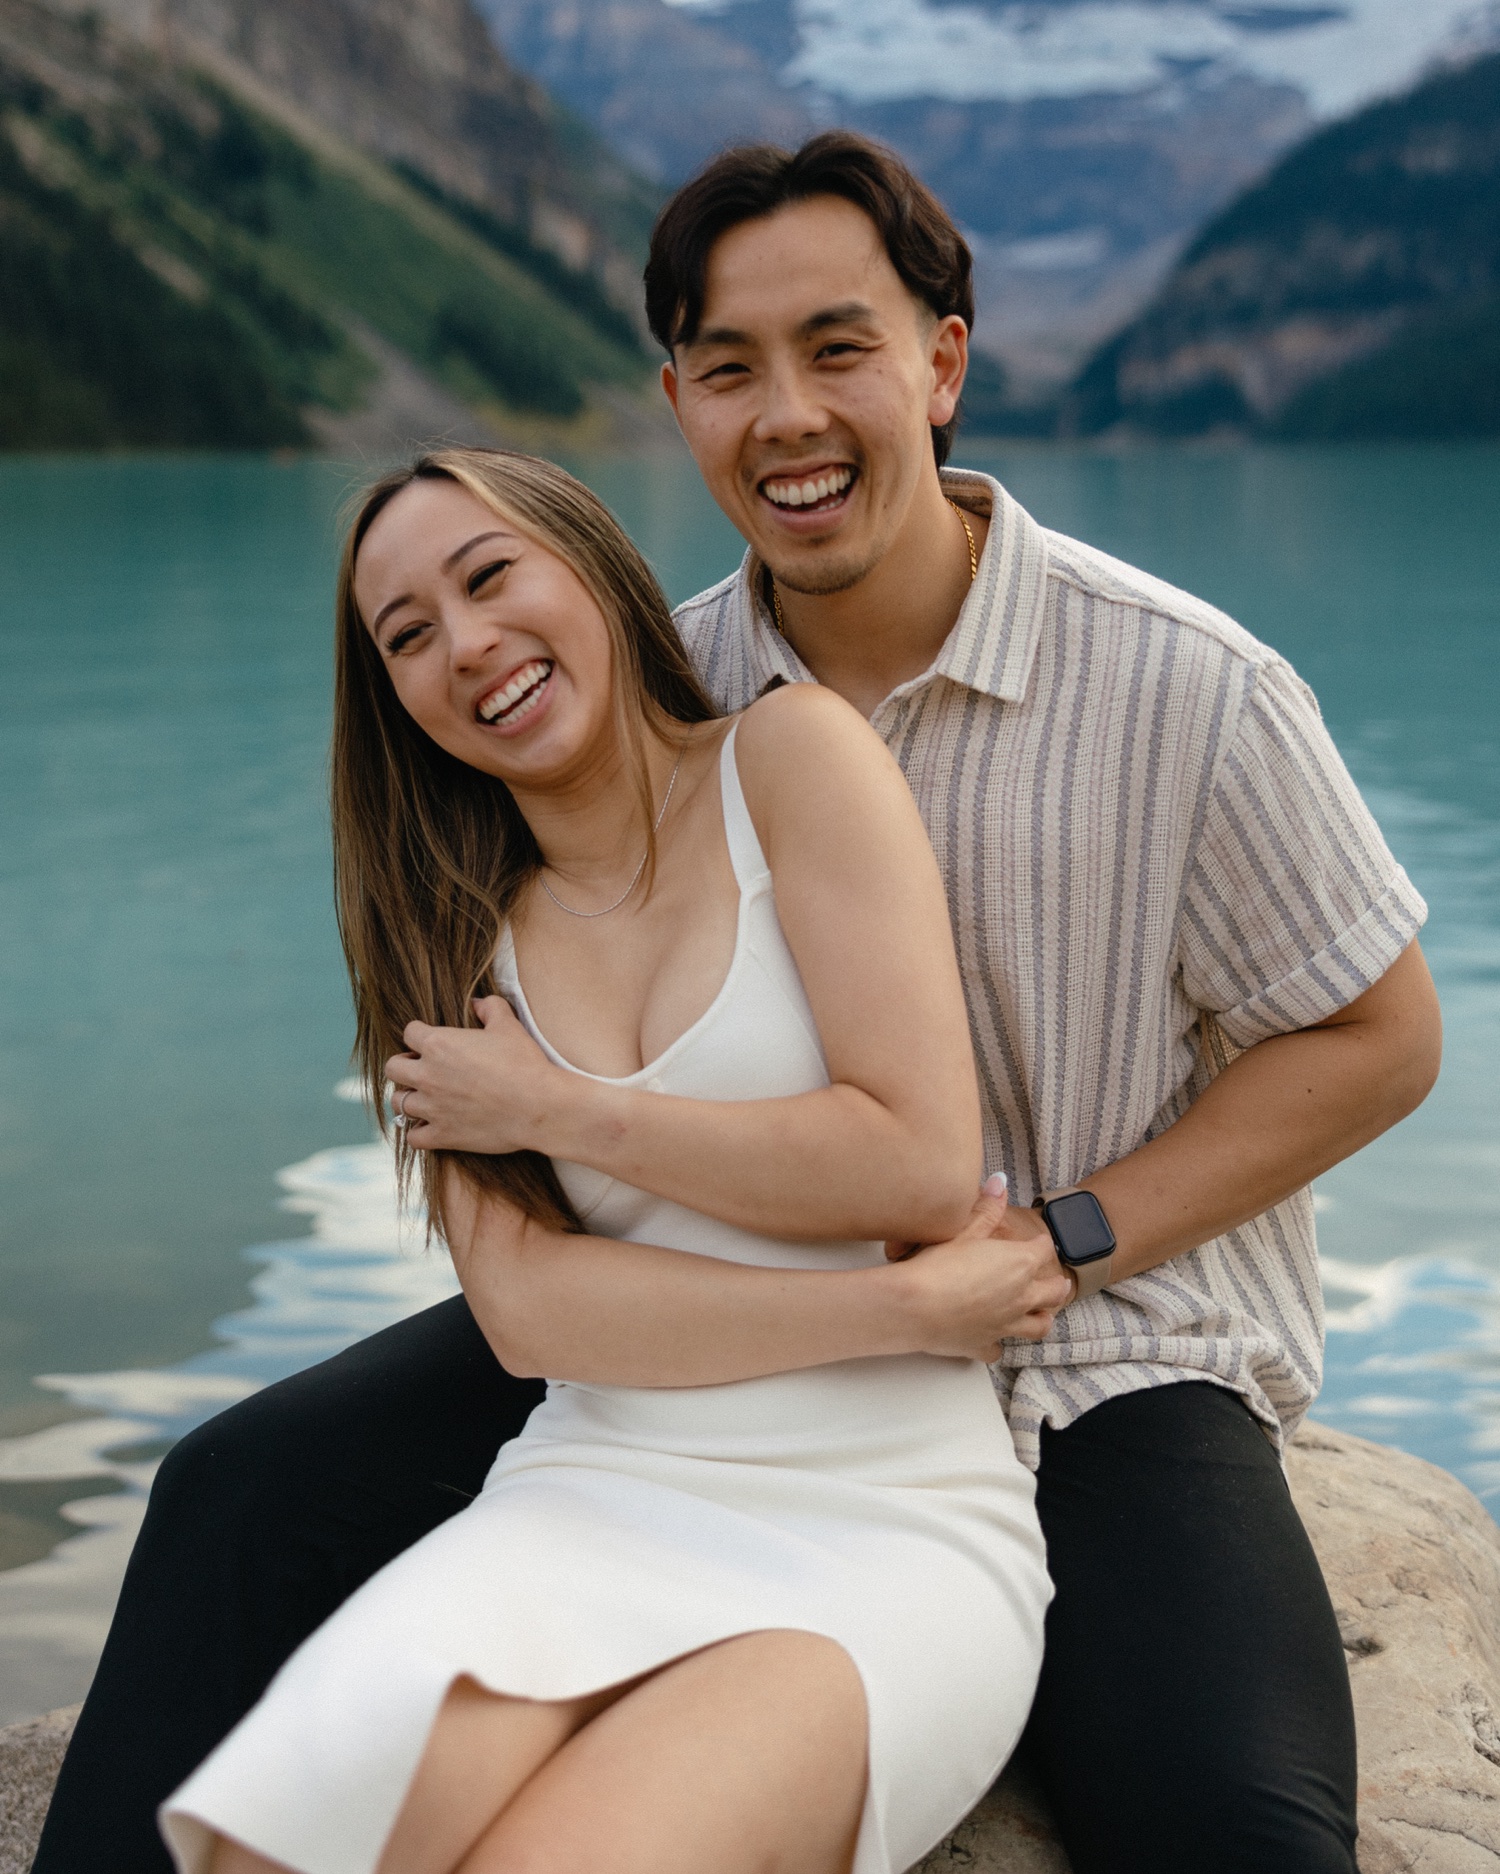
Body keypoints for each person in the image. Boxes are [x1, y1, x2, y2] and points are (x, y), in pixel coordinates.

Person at [34, 132, 1442, 1874]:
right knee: (236, 1488)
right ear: (678, 405)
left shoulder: (1185, 684)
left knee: (1234, 1827)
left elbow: (1384, 1037)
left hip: (1099, 1341)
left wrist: (1067, 1234)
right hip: (721, 1338)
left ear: (942, 360)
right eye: (725, 369)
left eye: (837, 348)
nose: (784, 414)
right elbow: (539, 1290)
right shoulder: (649, 681)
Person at [156, 447, 1055, 1874]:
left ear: (588, 560)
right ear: (394, 699)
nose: (468, 646)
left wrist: (569, 1112)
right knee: (276, 1842)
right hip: (592, 1488)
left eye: (488, 574)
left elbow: (917, 1162)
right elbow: (535, 1313)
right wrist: (892, 1310)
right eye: (407, 635)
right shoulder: (443, 933)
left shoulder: (794, 757)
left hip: (883, 1519)